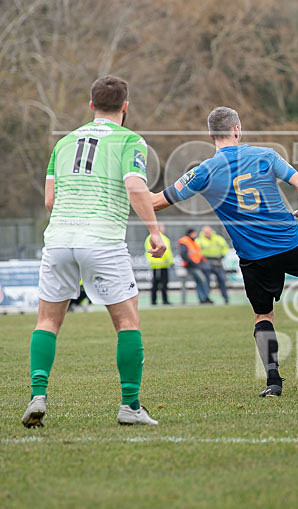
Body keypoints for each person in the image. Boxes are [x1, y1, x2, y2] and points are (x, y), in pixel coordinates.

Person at [151, 106, 298, 397]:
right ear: (237, 128)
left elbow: (157, 202)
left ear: (210, 135)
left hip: (253, 256)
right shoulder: (265, 155)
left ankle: (273, 382)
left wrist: (129, 189)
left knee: (263, 316)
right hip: (289, 241)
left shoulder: (203, 171)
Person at [22, 75, 165, 428]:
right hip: (101, 239)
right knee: (127, 322)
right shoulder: (130, 139)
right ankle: (130, 406)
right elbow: (135, 187)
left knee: (47, 321)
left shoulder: (64, 142)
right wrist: (154, 231)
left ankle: (37, 395)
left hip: (58, 239)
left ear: (91, 106)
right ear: (125, 107)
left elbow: (50, 200)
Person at [196, 225, 230, 304]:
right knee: (206, 281)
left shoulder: (218, 238)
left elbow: (225, 247)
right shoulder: (199, 240)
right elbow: (196, 251)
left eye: (208, 232)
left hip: (217, 261)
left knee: (222, 279)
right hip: (205, 261)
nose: (207, 233)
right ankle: (205, 298)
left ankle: (226, 297)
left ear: (212, 231)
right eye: (205, 232)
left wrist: (222, 255)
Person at [178, 229, 213, 304]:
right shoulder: (185, 241)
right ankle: (203, 298)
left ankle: (204, 298)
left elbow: (196, 253)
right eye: (194, 233)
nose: (195, 235)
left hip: (196, 265)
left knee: (199, 281)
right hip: (191, 265)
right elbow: (183, 254)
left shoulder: (192, 241)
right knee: (202, 280)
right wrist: (191, 262)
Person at [145, 224, 173, 305]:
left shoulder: (164, 238)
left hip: (164, 265)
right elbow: (150, 250)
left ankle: (163, 300)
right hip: (158, 265)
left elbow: (168, 252)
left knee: (163, 283)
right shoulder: (154, 238)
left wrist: (170, 261)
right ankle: (155, 300)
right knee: (157, 283)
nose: (164, 229)